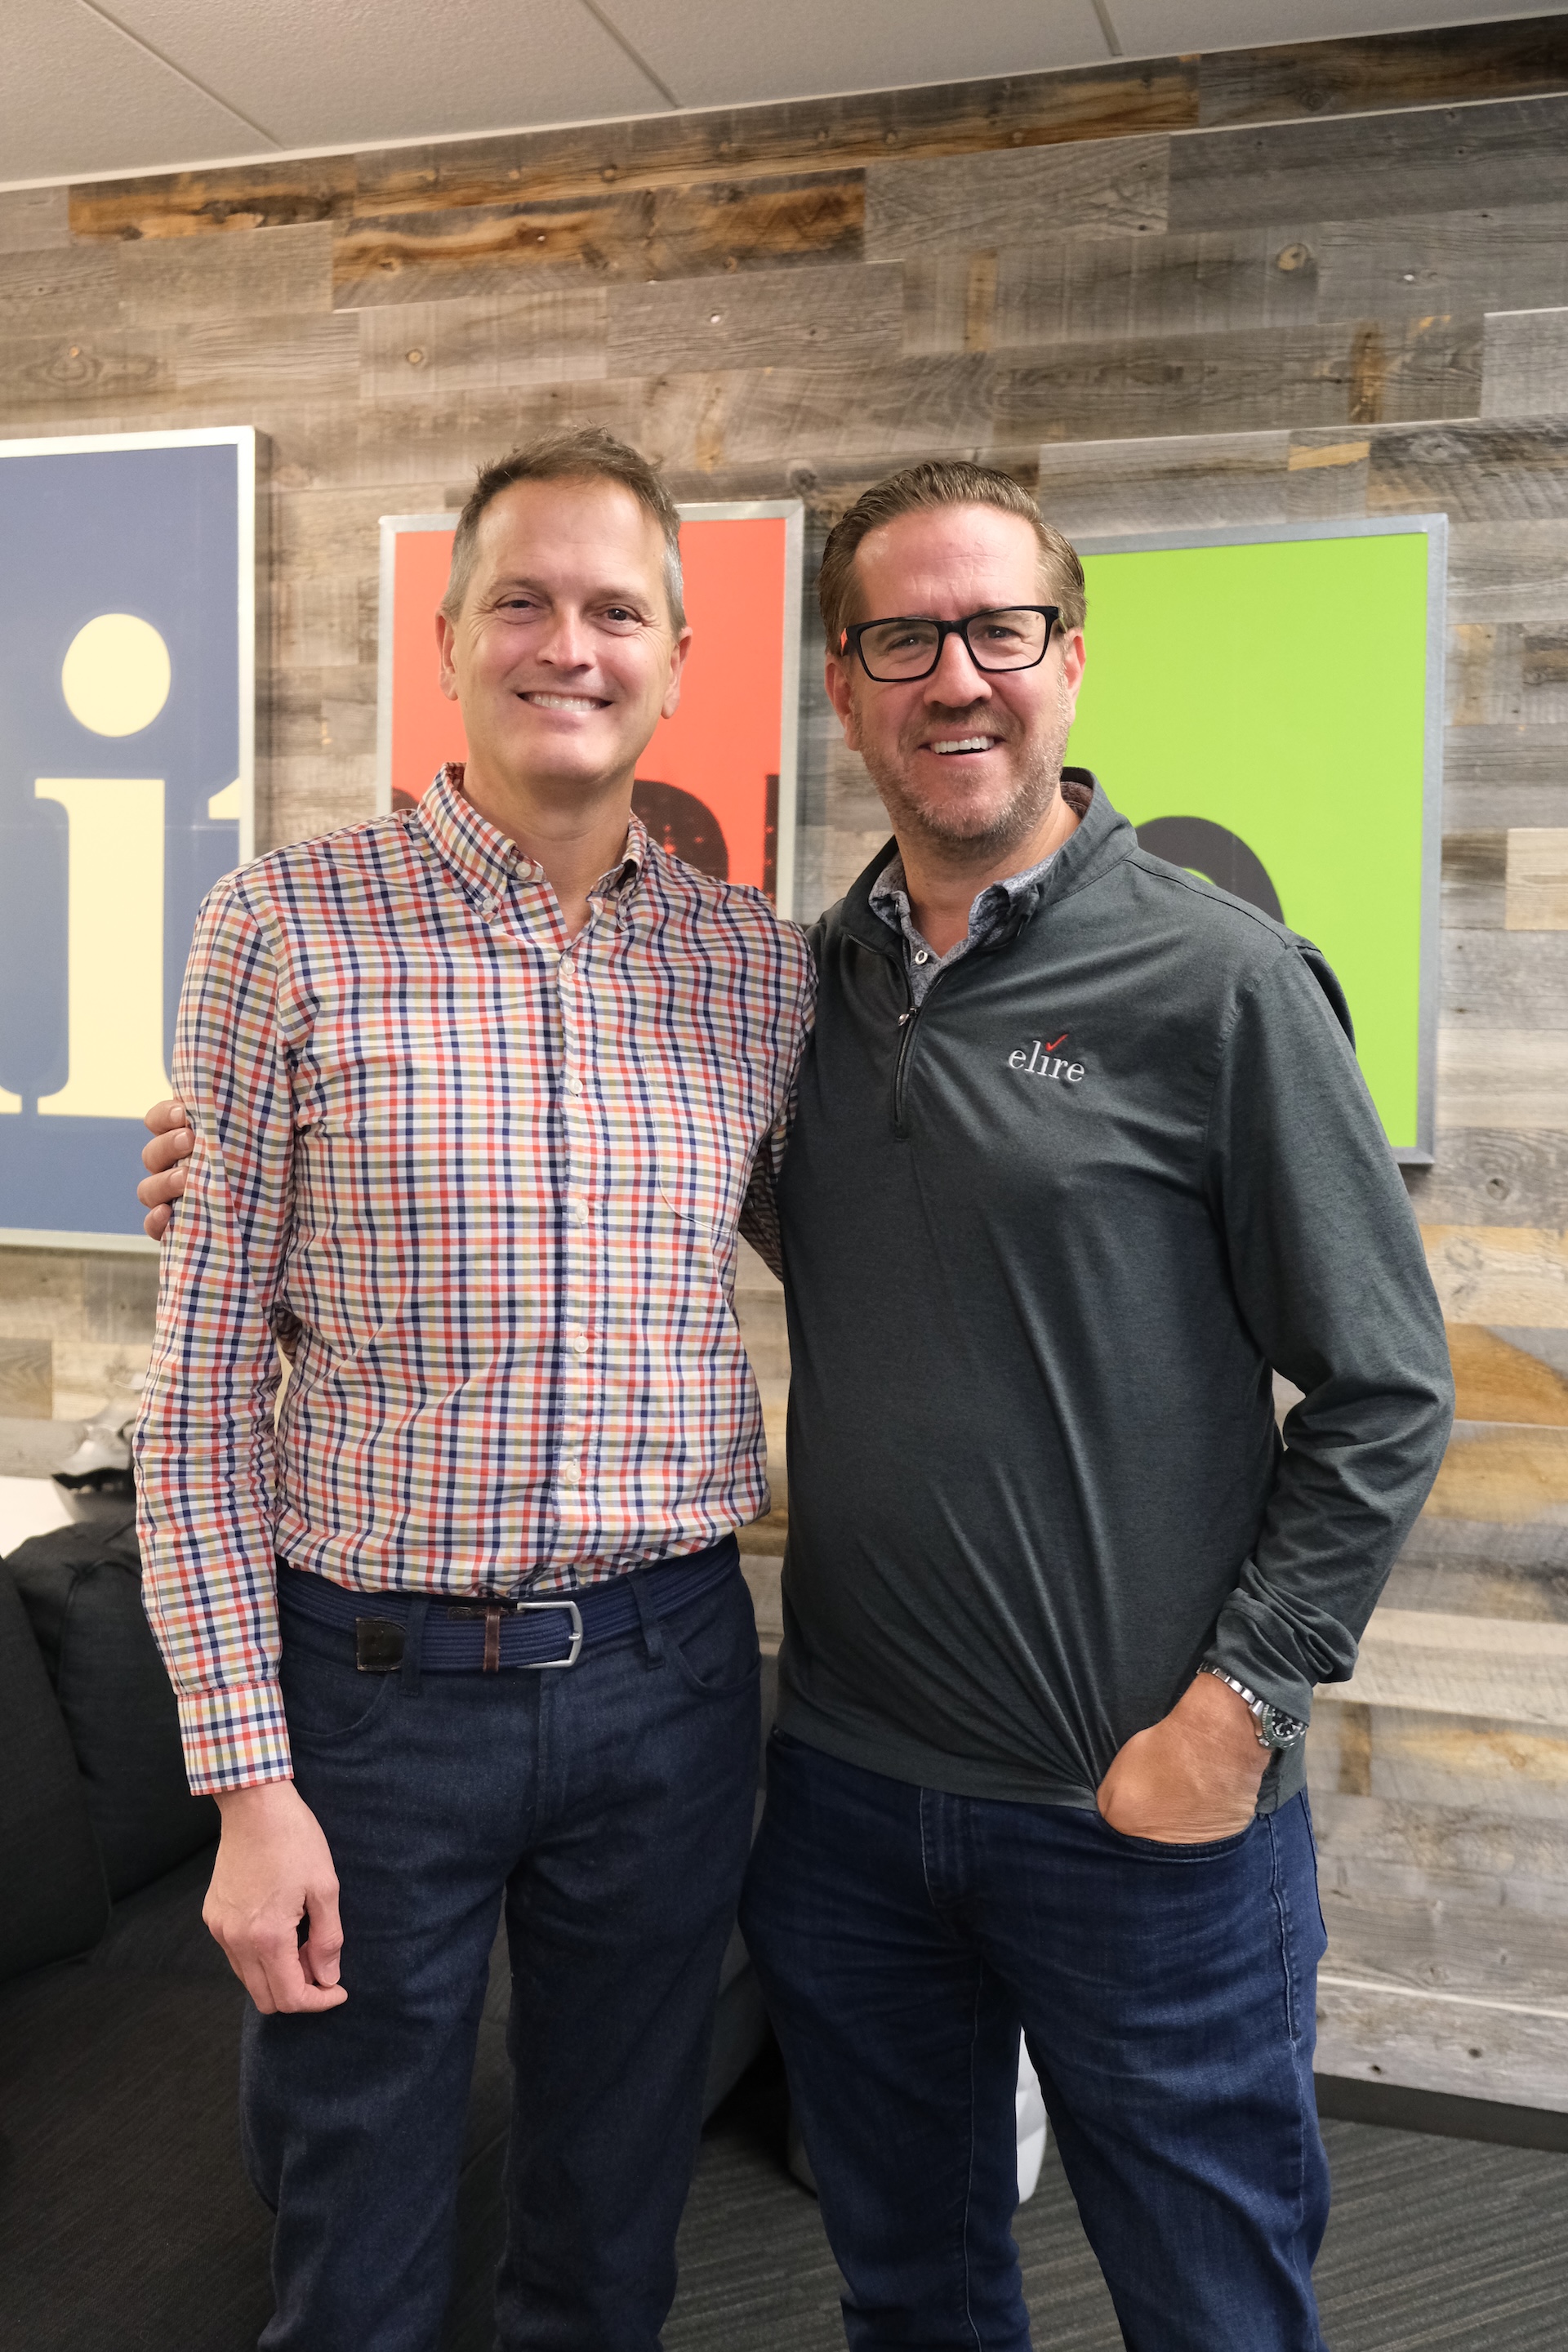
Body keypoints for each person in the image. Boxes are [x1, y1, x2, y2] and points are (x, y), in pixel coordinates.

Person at [143, 457, 1455, 2352]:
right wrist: (225, 1172)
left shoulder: (1091, 978)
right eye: (900, 638)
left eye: (997, 630)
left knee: (1153, 2295)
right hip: (676, 1761)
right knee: (811, 2278)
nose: (955, 677)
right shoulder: (725, 973)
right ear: (837, 683)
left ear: (1067, 659)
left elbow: (1386, 1384)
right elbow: (297, 1344)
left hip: (939, 1758)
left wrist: (1240, 1711)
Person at [131, 425, 813, 2352]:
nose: (567, 643)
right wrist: (241, 1779)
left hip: (675, 1678)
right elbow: (189, 1406)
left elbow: (885, 1250)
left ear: (679, 656)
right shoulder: (285, 928)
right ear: (448, 642)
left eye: (616, 609)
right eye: (522, 599)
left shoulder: (754, 974)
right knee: (352, 2224)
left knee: (613, 2214)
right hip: (371, 1700)